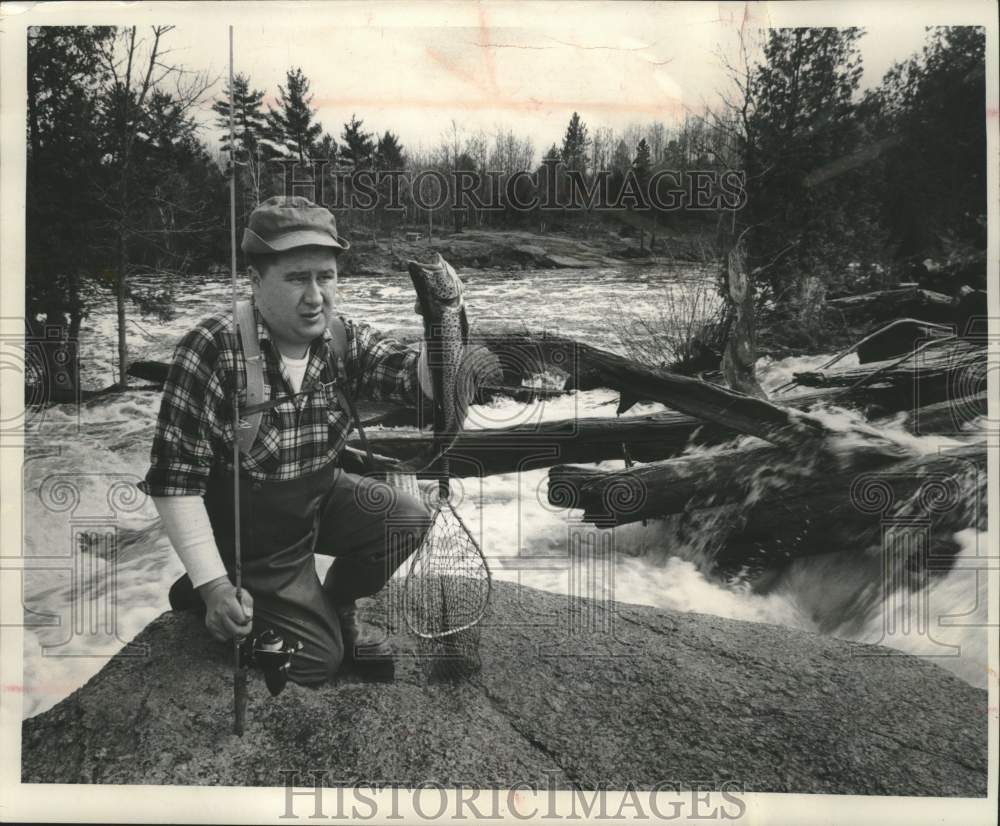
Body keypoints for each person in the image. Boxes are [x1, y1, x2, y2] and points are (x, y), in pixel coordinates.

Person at [140, 195, 448, 685]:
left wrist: (442, 328)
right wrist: (216, 585)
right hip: (251, 540)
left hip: (316, 500)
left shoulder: (343, 339)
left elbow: (418, 383)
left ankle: (336, 606)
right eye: (296, 278)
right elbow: (174, 483)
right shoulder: (211, 349)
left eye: (325, 277)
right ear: (257, 282)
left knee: (405, 517)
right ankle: (203, 591)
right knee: (315, 663)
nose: (315, 297)